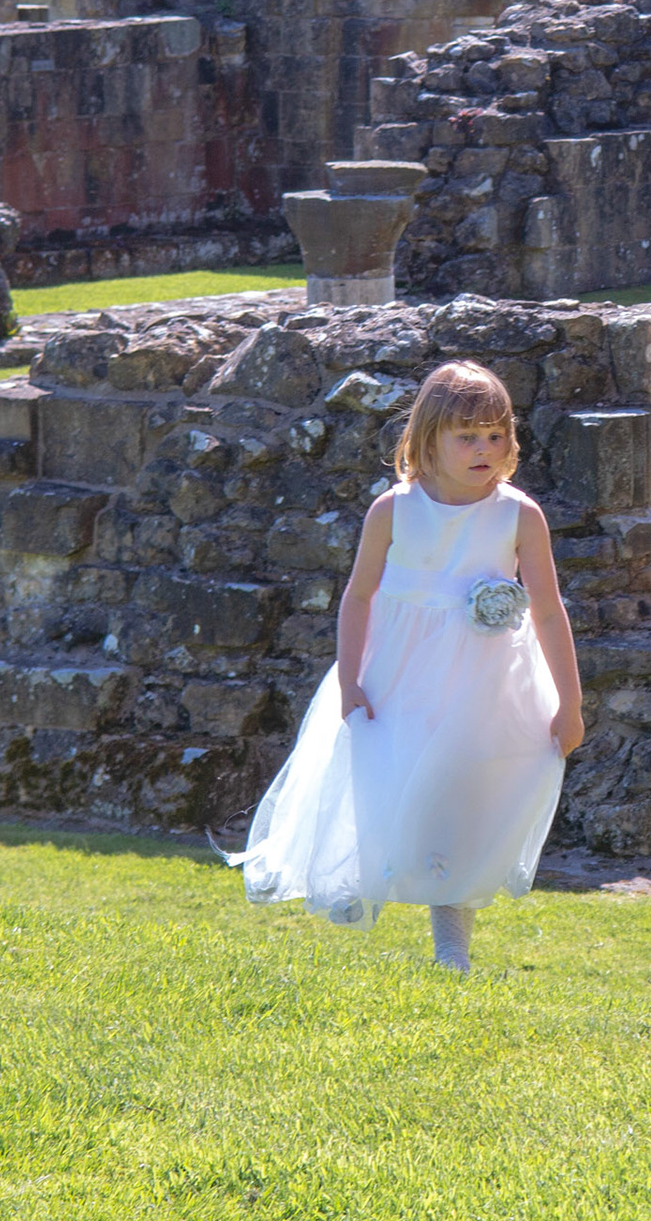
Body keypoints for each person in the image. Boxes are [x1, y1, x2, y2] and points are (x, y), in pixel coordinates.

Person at [233, 360, 584, 972]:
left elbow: (550, 612)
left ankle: (452, 942)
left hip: (485, 685)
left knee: (461, 800)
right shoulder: (393, 511)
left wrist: (569, 702)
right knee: (382, 779)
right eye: (467, 437)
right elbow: (360, 595)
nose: (485, 450)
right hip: (398, 673)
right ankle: (352, 876)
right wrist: (349, 678)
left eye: (496, 436)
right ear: (427, 440)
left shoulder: (518, 515)